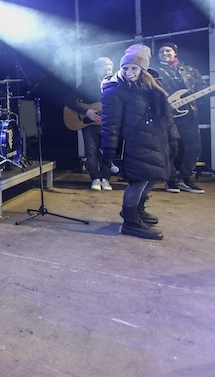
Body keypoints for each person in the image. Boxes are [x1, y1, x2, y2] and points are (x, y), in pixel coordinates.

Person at [100, 45, 180, 240]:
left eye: (134, 68)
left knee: (153, 176)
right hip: (133, 144)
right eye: (125, 68)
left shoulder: (152, 86)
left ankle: (137, 210)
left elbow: (166, 116)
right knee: (139, 181)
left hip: (154, 142)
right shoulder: (114, 90)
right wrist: (108, 152)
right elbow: (110, 124)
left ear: (142, 69)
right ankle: (130, 222)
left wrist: (173, 137)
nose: (129, 73)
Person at [156, 42, 208, 194]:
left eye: (168, 51)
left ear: (175, 53)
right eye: (161, 52)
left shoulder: (190, 71)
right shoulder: (155, 72)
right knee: (170, 148)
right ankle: (170, 180)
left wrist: (195, 98)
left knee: (194, 147)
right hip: (166, 115)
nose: (165, 53)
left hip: (189, 114)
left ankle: (184, 179)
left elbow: (202, 88)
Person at [63, 57, 114, 191]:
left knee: (107, 152)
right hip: (89, 124)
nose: (108, 72)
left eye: (110, 69)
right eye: (105, 69)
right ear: (97, 69)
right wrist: (86, 111)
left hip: (108, 124)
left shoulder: (115, 84)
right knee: (91, 152)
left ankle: (105, 178)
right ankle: (95, 178)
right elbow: (68, 100)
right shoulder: (87, 84)